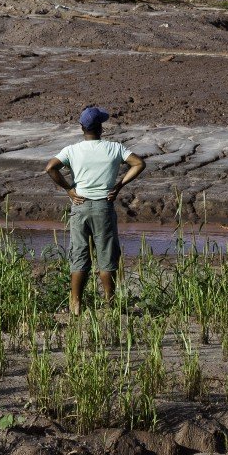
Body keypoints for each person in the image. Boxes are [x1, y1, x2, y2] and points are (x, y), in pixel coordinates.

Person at [44, 105, 145, 315]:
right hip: (103, 207)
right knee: (107, 257)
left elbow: (50, 167)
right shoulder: (115, 148)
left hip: (79, 206)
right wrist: (119, 185)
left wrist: (69, 189)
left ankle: (75, 306)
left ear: (82, 128)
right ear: (101, 128)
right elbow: (138, 163)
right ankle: (110, 305)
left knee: (79, 256)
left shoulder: (71, 150)